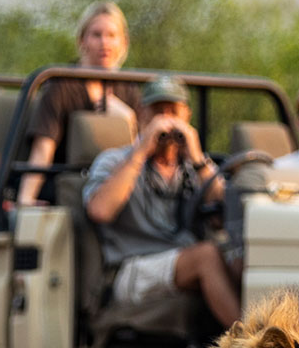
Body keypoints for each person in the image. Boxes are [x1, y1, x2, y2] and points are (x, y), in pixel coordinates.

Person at [84, 74, 240, 333]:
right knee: (207, 256)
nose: (167, 121)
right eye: (158, 112)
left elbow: (228, 216)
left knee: (240, 256)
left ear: (187, 116)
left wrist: (199, 160)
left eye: (173, 112)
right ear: (142, 115)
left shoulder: (195, 166)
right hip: (131, 267)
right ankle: (251, 345)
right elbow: (100, 210)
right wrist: (141, 151)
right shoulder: (114, 161)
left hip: (182, 261)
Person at [16, 1, 141, 205]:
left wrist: (128, 121)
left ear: (123, 42)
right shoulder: (61, 85)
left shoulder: (130, 88)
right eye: (96, 35)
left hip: (115, 185)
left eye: (111, 35)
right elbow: (43, 148)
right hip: (67, 184)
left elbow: (142, 150)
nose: (104, 43)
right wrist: (26, 199)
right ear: (82, 40)